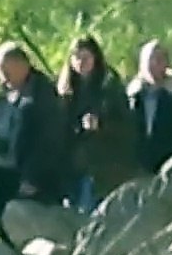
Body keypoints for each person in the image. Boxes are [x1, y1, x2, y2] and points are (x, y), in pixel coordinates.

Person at [0, 42, 68, 245]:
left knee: (31, 227)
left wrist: (33, 178)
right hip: (4, 171)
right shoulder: (3, 94)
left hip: (34, 176)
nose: (3, 77)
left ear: (22, 65)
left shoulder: (42, 95)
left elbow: (50, 140)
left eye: (6, 70)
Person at [55, 36, 137, 213]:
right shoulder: (66, 92)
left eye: (86, 57)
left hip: (102, 166)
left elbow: (127, 127)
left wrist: (101, 125)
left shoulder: (109, 87)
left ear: (95, 58)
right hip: (72, 168)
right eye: (76, 57)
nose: (81, 62)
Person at [126, 40, 172, 173]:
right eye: (151, 59)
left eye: (159, 59)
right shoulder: (131, 96)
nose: (155, 64)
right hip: (137, 169)